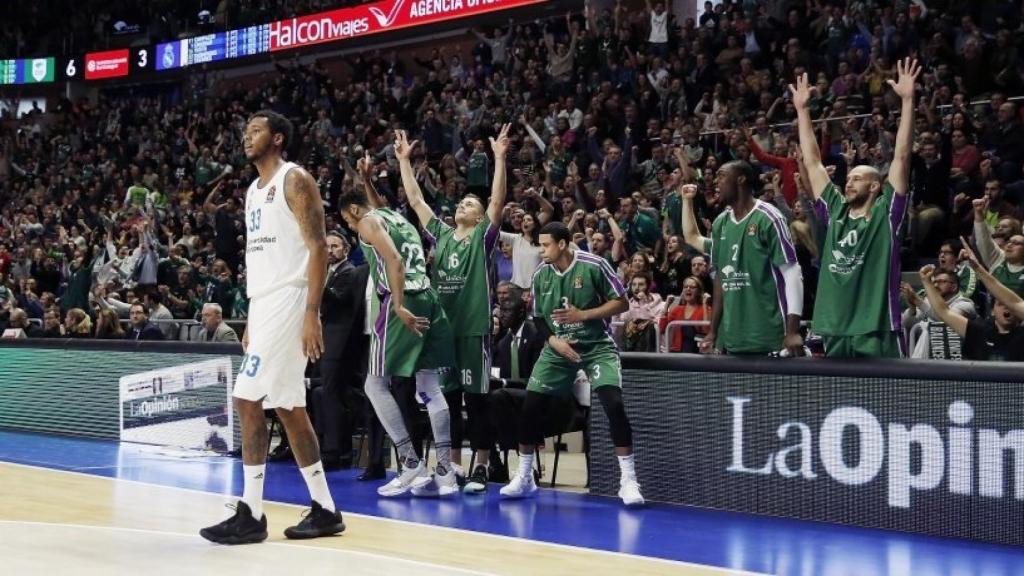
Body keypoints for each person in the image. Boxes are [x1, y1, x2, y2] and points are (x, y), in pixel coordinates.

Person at [201, 110, 344, 545]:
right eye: (245, 131)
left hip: (291, 298)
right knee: (287, 408)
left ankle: (252, 511)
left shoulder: (294, 179)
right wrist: (252, 319)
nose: (247, 137)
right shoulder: (250, 190)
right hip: (265, 304)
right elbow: (258, 260)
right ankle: (325, 509)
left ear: (278, 138)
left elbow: (318, 246)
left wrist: (311, 311)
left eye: (256, 130)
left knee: (246, 398)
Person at [397, 125, 512, 494]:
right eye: (461, 201)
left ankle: (481, 466)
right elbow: (416, 202)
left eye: (470, 204)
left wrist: (499, 158)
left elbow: (497, 202)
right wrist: (403, 161)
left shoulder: (482, 237)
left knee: (477, 401)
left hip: (473, 329)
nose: (463, 203)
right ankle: (454, 467)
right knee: (448, 401)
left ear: (479, 218)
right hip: (443, 331)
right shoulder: (442, 235)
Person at [499, 222, 644, 506]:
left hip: (595, 345)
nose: (542, 251)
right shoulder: (541, 274)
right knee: (530, 406)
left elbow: (622, 303)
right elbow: (539, 317)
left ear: (562, 244)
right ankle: (525, 476)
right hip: (558, 347)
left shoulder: (594, 264)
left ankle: (628, 480)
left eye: (546, 245)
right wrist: (554, 342)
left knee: (613, 404)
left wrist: (583, 315)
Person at [791, 58, 920, 357]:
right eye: (848, 179)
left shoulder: (887, 213)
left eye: (857, 179)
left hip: (876, 329)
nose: (848, 183)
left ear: (875, 186)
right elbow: (812, 162)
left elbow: (901, 158)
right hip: (836, 329)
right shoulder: (834, 209)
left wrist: (908, 101)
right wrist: (802, 110)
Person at [338, 189, 458, 498]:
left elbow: (393, 259)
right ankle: (445, 474)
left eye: (346, 221)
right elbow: (380, 204)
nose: (352, 228)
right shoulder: (394, 216)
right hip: (428, 297)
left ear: (354, 210)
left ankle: (409, 463)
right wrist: (366, 180)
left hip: (400, 300)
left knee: (374, 385)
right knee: (429, 387)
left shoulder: (367, 221)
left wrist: (399, 305)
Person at [680, 169, 805, 356]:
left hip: (770, 337)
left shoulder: (769, 216)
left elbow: (793, 273)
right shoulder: (721, 222)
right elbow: (719, 279)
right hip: (733, 339)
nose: (716, 181)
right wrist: (713, 331)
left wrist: (793, 330)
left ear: (740, 179)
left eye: (722, 175)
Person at [315, 232, 370, 470]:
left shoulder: (349, 271)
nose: (329, 250)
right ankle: (335, 448)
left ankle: (334, 452)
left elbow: (339, 300)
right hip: (327, 340)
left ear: (345, 249)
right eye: (326, 246)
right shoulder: (330, 272)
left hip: (340, 342)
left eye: (334, 246)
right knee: (326, 394)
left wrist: (317, 283)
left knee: (332, 395)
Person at [919, 254, 1024, 361]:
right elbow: (944, 312)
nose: (1006, 308)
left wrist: (978, 269)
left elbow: (1015, 302)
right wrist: (926, 282)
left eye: (1010, 306)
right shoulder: (979, 331)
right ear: (992, 311)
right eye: (1000, 304)